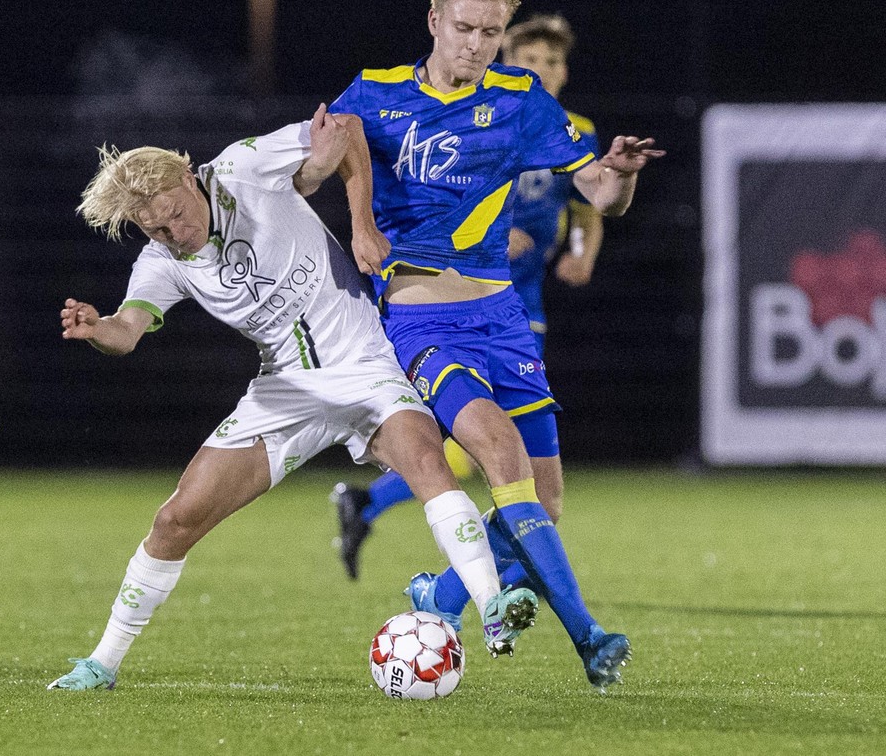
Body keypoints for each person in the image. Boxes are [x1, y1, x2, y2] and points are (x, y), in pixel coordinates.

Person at [46, 104, 538, 691]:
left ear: (188, 176)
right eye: (154, 229)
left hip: (364, 362)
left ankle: (491, 609)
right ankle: (101, 662)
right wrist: (97, 327)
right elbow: (127, 331)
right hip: (285, 389)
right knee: (175, 520)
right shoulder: (163, 262)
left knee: (428, 463)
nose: (173, 233)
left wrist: (358, 220)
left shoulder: (241, 166)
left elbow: (348, 128)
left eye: (175, 215)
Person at [328, 0, 663, 689]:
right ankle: (589, 638)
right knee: (497, 449)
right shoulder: (378, 93)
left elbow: (600, 193)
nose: (477, 44)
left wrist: (624, 171)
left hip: (504, 318)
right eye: (465, 29)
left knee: (545, 504)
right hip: (421, 321)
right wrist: (358, 223)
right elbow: (323, 156)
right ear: (433, 23)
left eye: (491, 31)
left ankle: (437, 596)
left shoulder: (522, 99)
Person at [332, 14, 604, 573]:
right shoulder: (482, 114)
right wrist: (495, 234)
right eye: (531, 61)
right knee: (493, 454)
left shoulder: (570, 128)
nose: (544, 71)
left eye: (552, 63)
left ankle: (377, 511)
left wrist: (582, 250)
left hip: (521, 304)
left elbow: (586, 209)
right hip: (454, 301)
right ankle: (476, 582)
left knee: (505, 461)